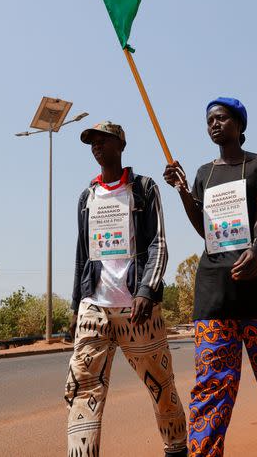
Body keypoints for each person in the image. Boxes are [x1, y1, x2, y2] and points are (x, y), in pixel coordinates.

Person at [163, 97, 257, 456]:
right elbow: (206, 230)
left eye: (222, 118)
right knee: (212, 390)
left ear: (240, 125)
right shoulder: (204, 174)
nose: (215, 124)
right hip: (215, 293)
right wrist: (183, 191)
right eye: (209, 120)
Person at [66, 121, 187, 457]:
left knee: (161, 388)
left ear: (120, 145)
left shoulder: (144, 188)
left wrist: (146, 291)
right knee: (81, 388)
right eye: (92, 142)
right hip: (96, 306)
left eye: (102, 140)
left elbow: (159, 243)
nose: (96, 147)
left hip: (138, 309)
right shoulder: (86, 197)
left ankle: (177, 448)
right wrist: (77, 307)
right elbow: (81, 254)